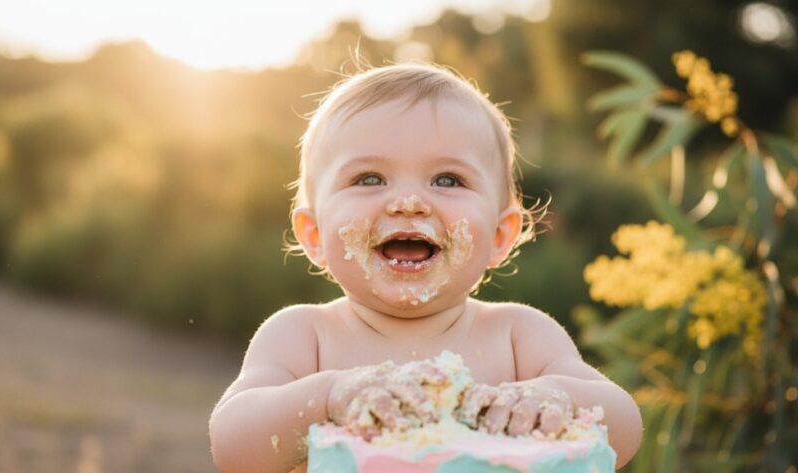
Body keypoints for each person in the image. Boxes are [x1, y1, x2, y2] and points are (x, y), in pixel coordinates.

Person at [208, 63, 643, 473]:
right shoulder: (304, 337)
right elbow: (232, 445)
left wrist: (558, 397)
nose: (408, 202)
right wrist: (326, 398)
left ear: (499, 235)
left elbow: (625, 426)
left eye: (448, 180)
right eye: (369, 178)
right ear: (315, 234)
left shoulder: (519, 336)